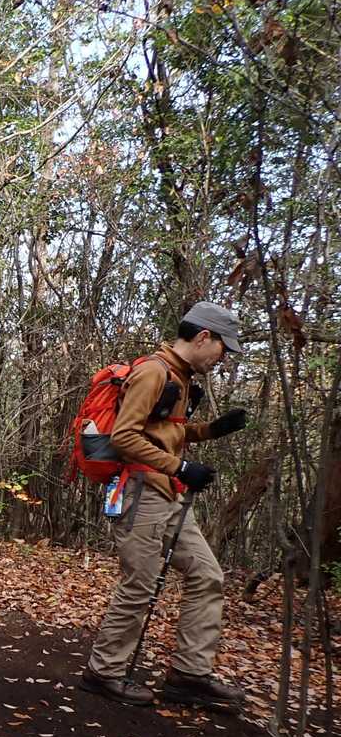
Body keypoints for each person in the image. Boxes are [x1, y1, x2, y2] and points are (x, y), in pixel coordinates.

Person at [80, 302, 249, 710]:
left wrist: (211, 430)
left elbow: (166, 432)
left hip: (167, 491)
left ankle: (189, 675)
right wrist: (182, 467)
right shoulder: (153, 372)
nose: (223, 358)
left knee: (207, 574)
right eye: (222, 348)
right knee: (140, 582)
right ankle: (103, 672)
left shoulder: (180, 377)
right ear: (203, 336)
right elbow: (124, 436)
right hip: (141, 491)